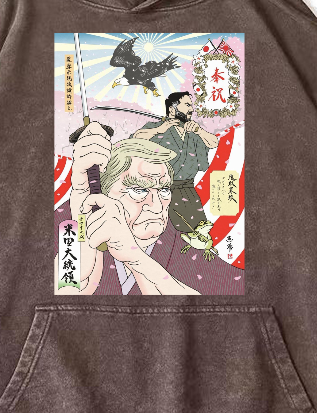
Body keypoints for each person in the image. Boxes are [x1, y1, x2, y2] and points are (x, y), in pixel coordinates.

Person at [54, 123, 243, 295]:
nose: (156, 205)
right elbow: (63, 291)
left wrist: (135, 257)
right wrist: (82, 232)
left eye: (164, 190)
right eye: (138, 190)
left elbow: (233, 297)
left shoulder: (186, 248)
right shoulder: (73, 218)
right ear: (104, 193)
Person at [132, 91, 219, 234]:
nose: (191, 109)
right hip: (162, 190)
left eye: (191, 105)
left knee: (199, 230)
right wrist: (159, 130)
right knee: (171, 233)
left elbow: (213, 142)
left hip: (188, 189)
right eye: (187, 105)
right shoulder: (158, 127)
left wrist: (199, 131)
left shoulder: (192, 131)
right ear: (172, 110)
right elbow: (136, 138)